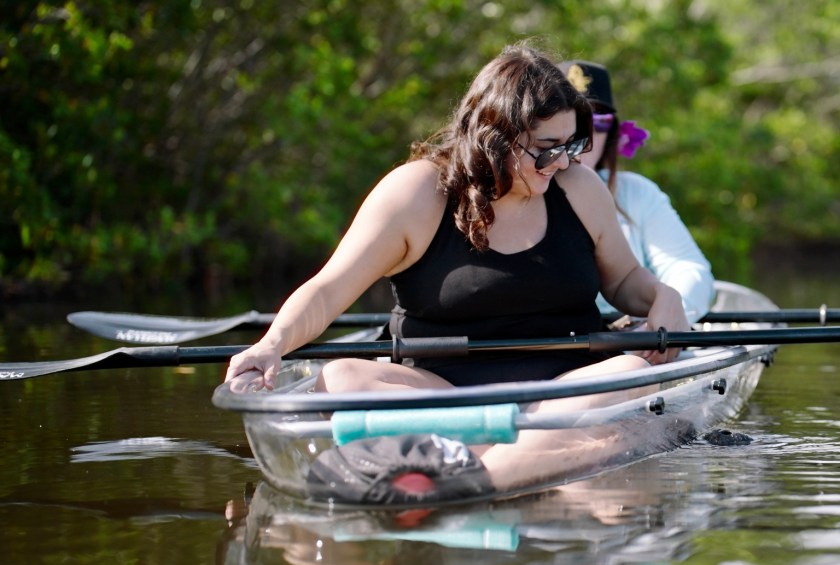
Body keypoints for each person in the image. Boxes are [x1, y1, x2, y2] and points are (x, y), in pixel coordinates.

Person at [225, 43, 688, 395]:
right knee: (343, 375)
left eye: (571, 146)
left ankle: (494, 455)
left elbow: (624, 277)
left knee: (630, 370)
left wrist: (660, 296)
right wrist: (272, 344)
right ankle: (505, 453)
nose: (564, 163)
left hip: (566, 393)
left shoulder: (579, 189)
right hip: (440, 395)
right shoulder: (415, 193)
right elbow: (327, 292)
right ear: (495, 137)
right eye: (548, 149)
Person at [557, 60, 715, 323]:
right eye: (574, 119)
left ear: (613, 133)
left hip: (633, 333)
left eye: (598, 123)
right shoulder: (512, 195)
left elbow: (685, 267)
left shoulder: (638, 193)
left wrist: (670, 313)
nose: (585, 137)